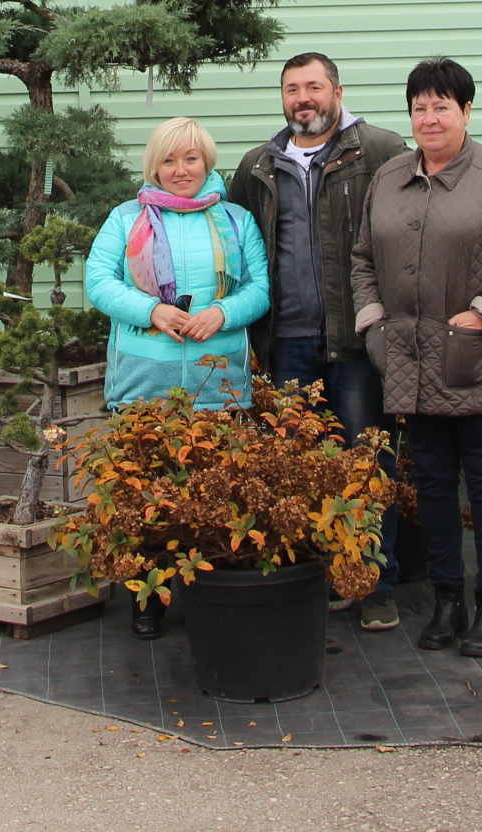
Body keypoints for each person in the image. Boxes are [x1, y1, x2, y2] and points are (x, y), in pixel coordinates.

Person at [350, 57, 482, 659]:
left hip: (477, 358)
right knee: (433, 482)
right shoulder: (389, 177)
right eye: (420, 108)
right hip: (410, 359)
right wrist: (373, 318)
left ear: (466, 111)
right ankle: (447, 599)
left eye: (442, 106)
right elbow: (363, 257)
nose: (430, 118)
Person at [230, 51, 416, 632]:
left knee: (368, 463)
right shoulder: (258, 165)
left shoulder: (380, 150)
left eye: (313, 86)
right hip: (287, 341)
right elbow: (238, 244)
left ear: (338, 90)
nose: (302, 98)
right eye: (292, 88)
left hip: (355, 341)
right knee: (300, 466)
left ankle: (375, 584)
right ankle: (323, 577)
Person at [85, 114, 270, 638]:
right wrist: (152, 310)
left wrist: (223, 313)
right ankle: (147, 600)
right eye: (169, 160)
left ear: (206, 162)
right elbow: (98, 282)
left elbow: (259, 288)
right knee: (145, 496)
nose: (181, 169)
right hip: (144, 382)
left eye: (191, 158)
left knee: (216, 494)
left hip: (218, 383)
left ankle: (211, 595)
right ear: (154, 166)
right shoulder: (126, 218)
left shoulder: (236, 220)